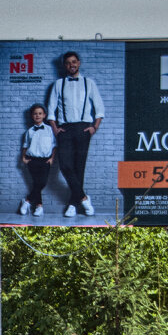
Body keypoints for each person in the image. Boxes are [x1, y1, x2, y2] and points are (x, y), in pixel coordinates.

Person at [46, 51, 104, 217]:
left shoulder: (89, 83)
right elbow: (51, 109)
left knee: (79, 168)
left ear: (79, 63)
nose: (71, 65)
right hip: (64, 129)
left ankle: (72, 204)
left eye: (74, 62)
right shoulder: (58, 84)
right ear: (64, 66)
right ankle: (83, 198)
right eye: (68, 63)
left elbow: (99, 108)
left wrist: (94, 127)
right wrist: (55, 128)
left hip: (83, 128)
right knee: (65, 165)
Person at [19, 103, 55, 217]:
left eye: (40, 113)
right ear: (32, 116)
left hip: (45, 161)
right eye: (35, 114)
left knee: (41, 182)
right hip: (32, 160)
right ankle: (39, 207)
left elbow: (54, 145)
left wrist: (52, 158)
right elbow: (25, 146)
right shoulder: (29, 131)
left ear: (44, 115)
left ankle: (27, 201)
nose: (37, 116)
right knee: (36, 183)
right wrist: (23, 158)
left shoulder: (49, 130)